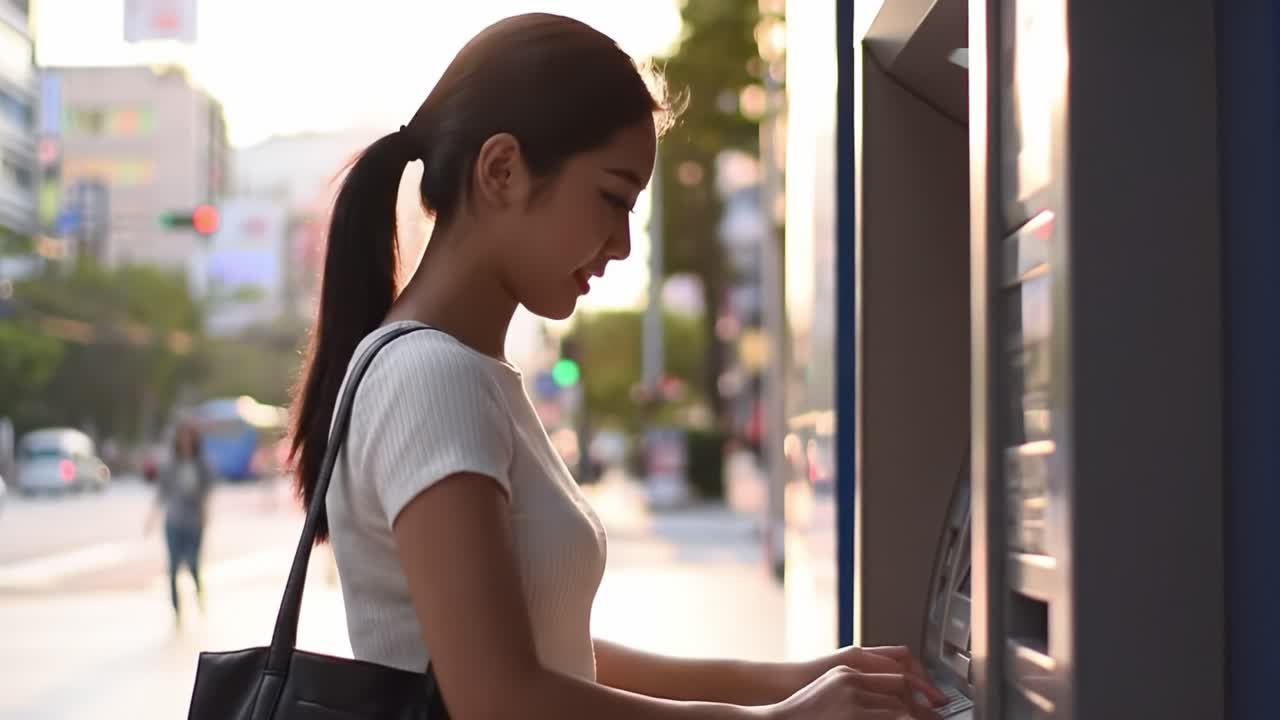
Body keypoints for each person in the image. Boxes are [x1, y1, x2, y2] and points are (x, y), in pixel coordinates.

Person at [289, 13, 946, 720]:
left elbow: (556, 656)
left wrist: (790, 682)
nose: (625, 245)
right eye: (613, 197)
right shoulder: (429, 377)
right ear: (501, 170)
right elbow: (499, 699)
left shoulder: (464, 374)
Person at [145, 421, 215, 625]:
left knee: (193, 565)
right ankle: (177, 611)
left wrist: (204, 512)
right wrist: (151, 518)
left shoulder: (201, 464)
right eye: (182, 438)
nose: (185, 442)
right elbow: (161, 493)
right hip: (174, 521)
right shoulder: (170, 465)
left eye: (189, 437)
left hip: (195, 523)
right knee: (173, 568)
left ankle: (199, 594)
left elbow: (208, 490)